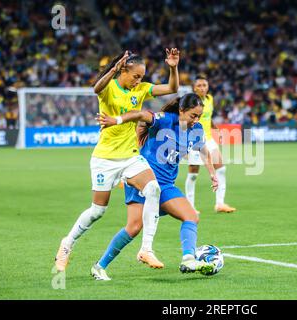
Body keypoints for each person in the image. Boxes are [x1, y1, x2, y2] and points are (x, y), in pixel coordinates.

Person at [54, 48, 180, 272]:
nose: (139, 81)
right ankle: (67, 243)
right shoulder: (109, 87)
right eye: (136, 76)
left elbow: (172, 88)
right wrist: (112, 69)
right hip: (105, 158)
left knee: (153, 188)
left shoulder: (141, 90)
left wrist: (173, 67)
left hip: (131, 156)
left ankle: (146, 249)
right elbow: (96, 88)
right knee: (97, 211)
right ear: (123, 70)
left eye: (142, 77)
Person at [90, 93, 219, 280]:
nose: (196, 120)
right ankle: (100, 266)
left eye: (199, 116)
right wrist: (116, 120)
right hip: (143, 181)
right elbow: (141, 115)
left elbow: (204, 150)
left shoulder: (196, 129)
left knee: (190, 216)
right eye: (193, 115)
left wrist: (212, 173)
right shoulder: (165, 120)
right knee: (134, 227)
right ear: (181, 111)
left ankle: (188, 259)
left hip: (166, 185)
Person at [185, 75, 236, 214]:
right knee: (194, 173)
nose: (202, 88)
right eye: (199, 86)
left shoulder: (210, 99)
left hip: (208, 138)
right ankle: (190, 207)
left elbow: (208, 116)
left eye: (204, 85)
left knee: (221, 169)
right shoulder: (190, 102)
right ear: (194, 88)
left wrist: (215, 128)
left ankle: (220, 204)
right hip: (194, 140)